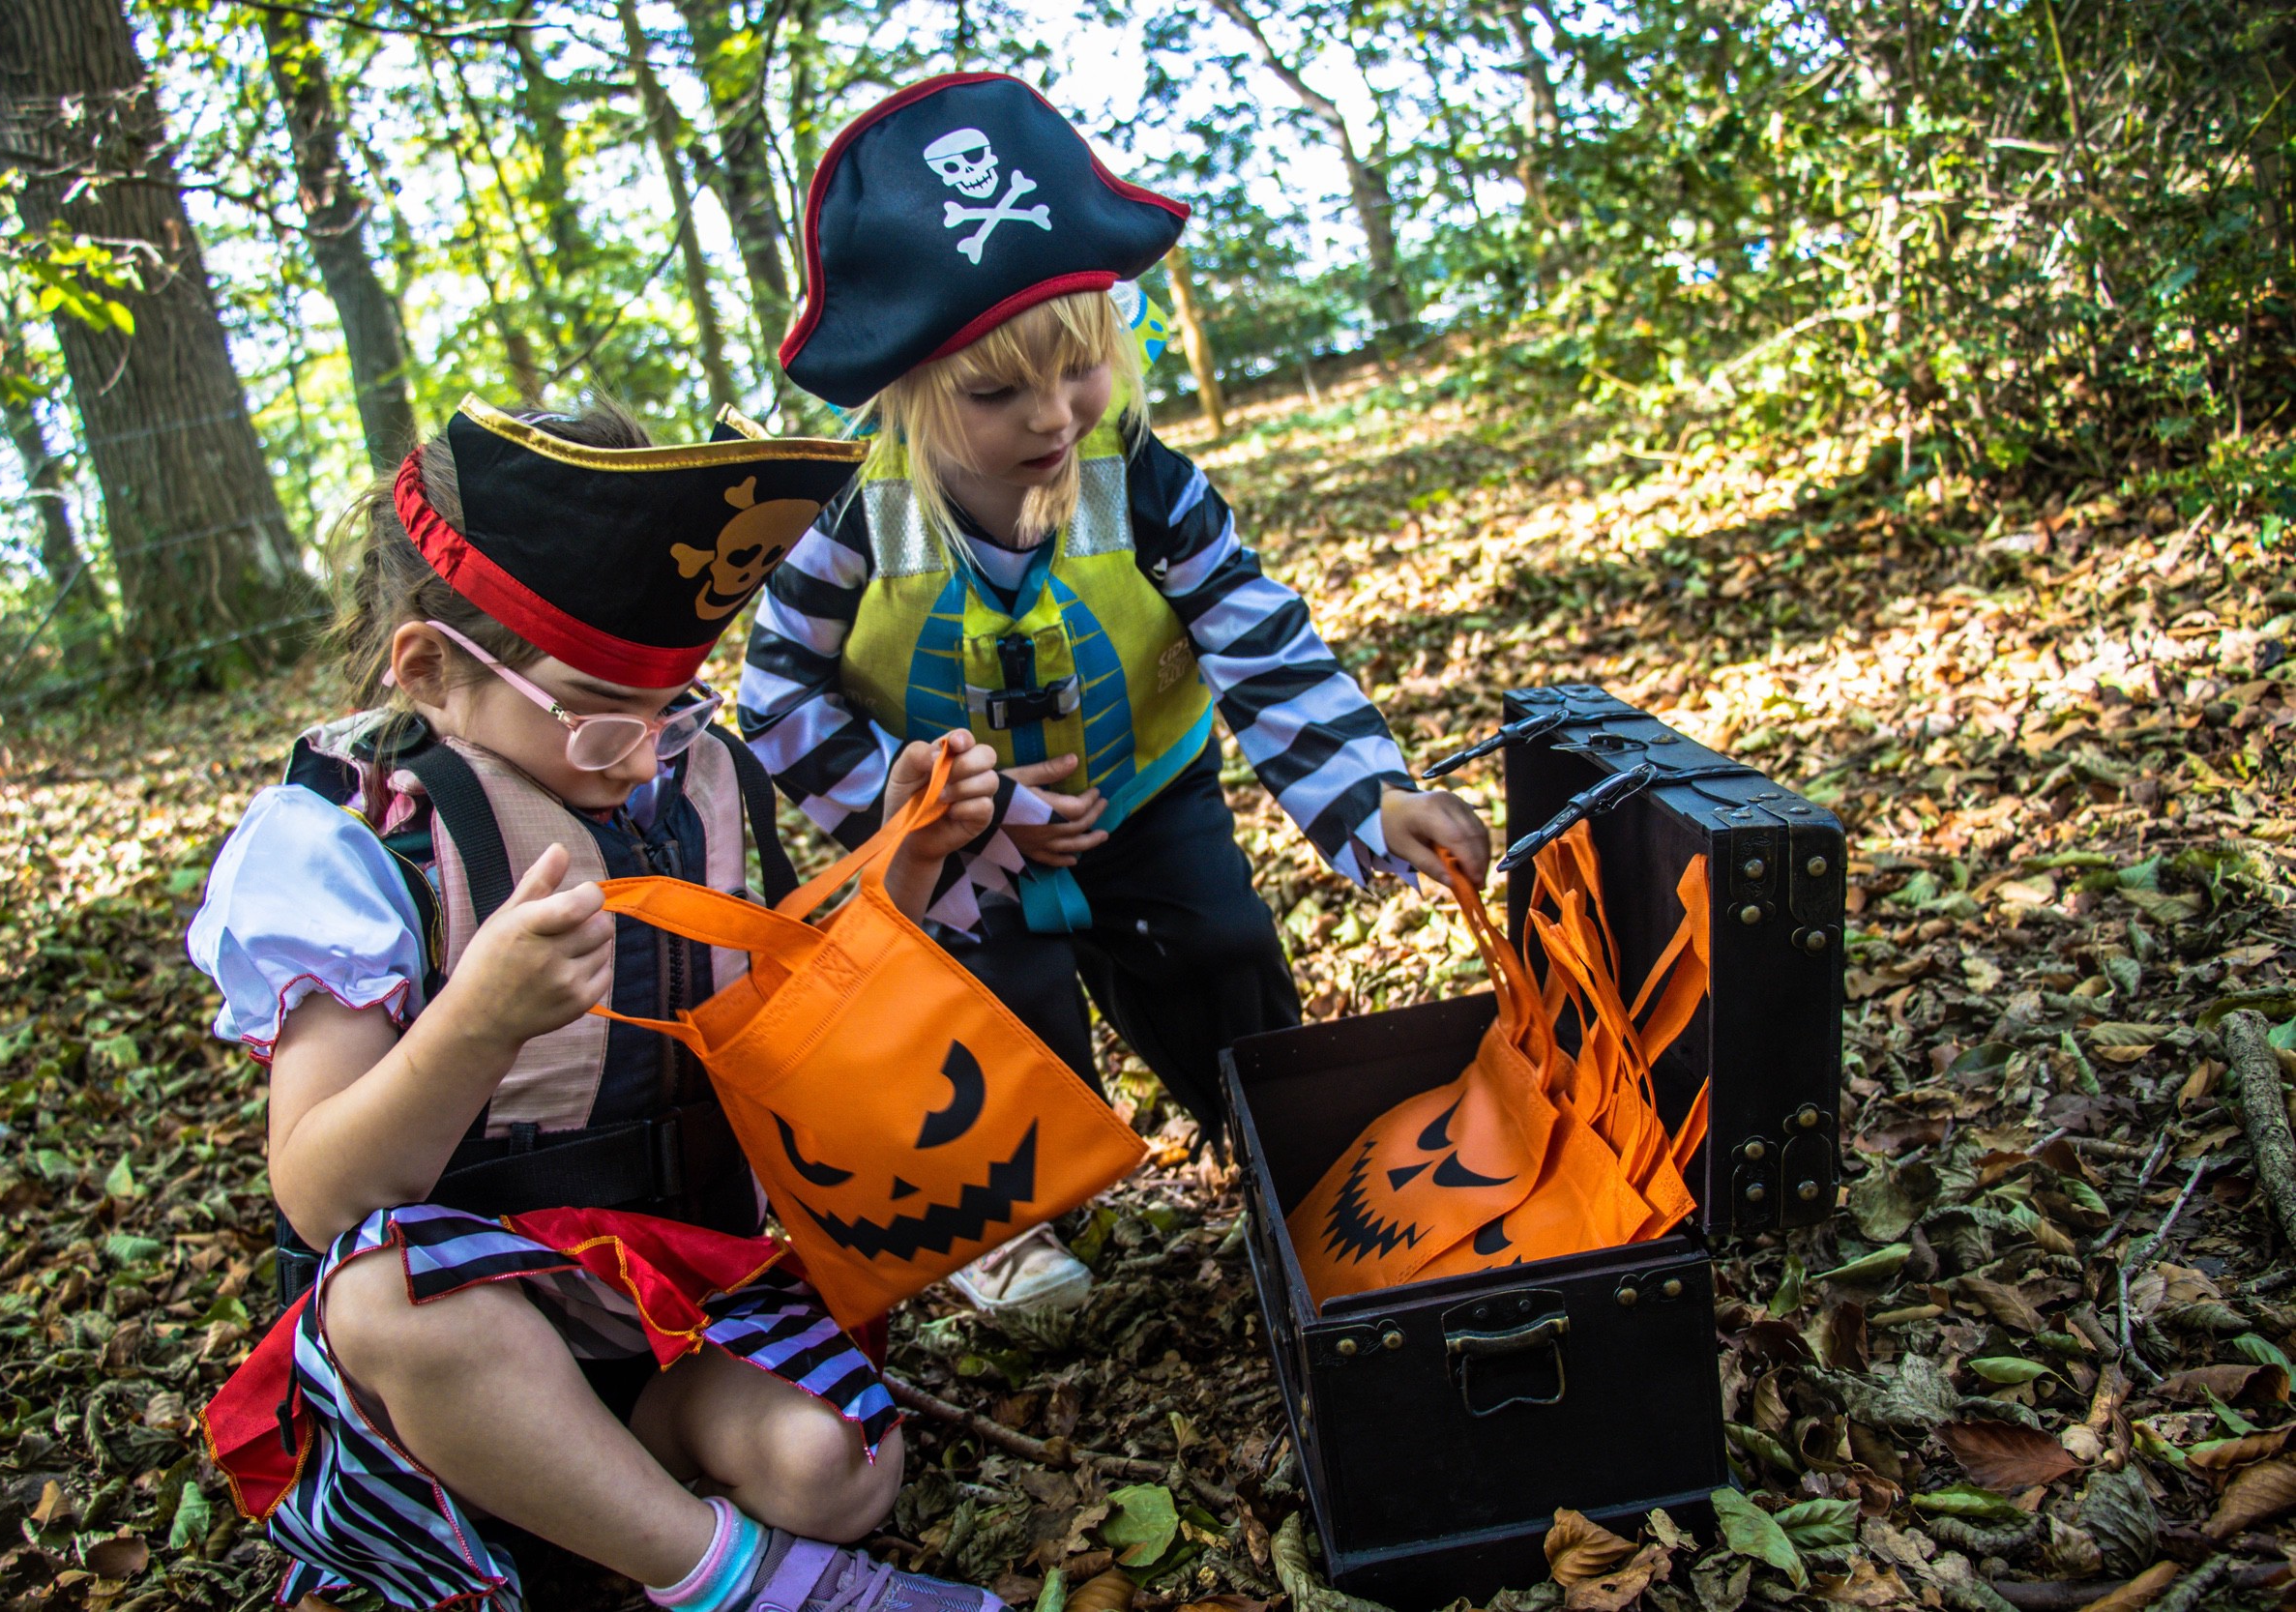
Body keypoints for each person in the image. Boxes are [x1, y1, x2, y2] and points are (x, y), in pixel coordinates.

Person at [189, 396, 1006, 1612]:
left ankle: (601, 1517)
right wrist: (477, 1019)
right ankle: (723, 1573)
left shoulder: (695, 774)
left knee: (837, 1471)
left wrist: (912, 862)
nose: (638, 757)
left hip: (667, 1301)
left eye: (673, 699)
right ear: (429, 668)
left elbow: (785, 1029)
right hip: (455, 1351)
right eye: (592, 711)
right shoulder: (351, 847)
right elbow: (319, 1193)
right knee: (391, 1294)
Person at [741, 73, 1489, 1312]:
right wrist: (919, 799)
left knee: (1220, 954)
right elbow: (773, 697)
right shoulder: (848, 517)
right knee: (991, 1019)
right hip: (954, 841)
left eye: (1080, 367)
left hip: (1142, 789)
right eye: (995, 395)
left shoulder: (1138, 476)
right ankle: (1010, 1227)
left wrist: (1370, 794)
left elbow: (1254, 631)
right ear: (909, 392)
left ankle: (1289, 1152)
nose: (1052, 415)